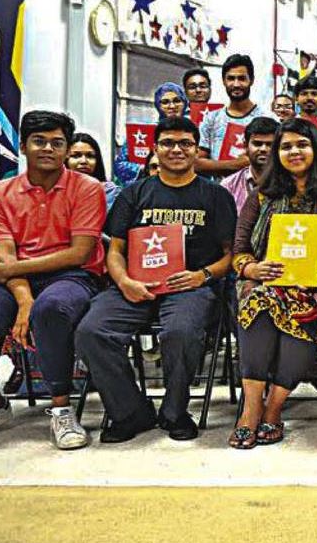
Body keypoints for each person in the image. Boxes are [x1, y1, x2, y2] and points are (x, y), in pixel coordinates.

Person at [75, 115, 236, 443]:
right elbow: (115, 250)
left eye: (185, 143)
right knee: (91, 331)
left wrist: (202, 275)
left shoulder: (216, 196)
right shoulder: (133, 194)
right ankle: (130, 412)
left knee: (181, 332)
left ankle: (175, 412)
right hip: (135, 284)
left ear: (197, 150)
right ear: (155, 148)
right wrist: (124, 282)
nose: (177, 150)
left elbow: (231, 255)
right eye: (168, 143)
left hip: (188, 287)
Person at [228, 118, 317, 448]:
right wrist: (254, 269)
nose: (294, 151)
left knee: (303, 312)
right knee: (259, 302)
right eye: (286, 146)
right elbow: (239, 251)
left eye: (302, 144)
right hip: (265, 281)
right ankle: (251, 410)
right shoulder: (261, 196)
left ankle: (273, 409)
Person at [0, 111, 108, 447]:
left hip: (72, 276)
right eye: (39, 141)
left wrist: (15, 280)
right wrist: (24, 300)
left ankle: (62, 409)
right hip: (14, 280)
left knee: (50, 309)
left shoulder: (88, 188)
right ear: (23, 146)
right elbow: (5, 256)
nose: (48, 149)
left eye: (57, 143)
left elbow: (79, 253)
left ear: (66, 149)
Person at [196, 54, 270, 178]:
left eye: (242, 78)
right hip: (217, 188)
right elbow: (197, 164)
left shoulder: (267, 118)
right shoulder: (211, 119)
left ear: (251, 80)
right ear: (224, 81)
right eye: (231, 78)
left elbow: (271, 162)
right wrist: (239, 164)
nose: (236, 84)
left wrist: (216, 166)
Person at [219, 116, 279, 215]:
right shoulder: (229, 185)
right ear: (245, 146)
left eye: (270, 144)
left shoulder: (290, 183)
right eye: (257, 144)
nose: (263, 149)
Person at [67, 132, 121, 206]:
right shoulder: (55, 191)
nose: (84, 161)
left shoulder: (110, 192)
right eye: (76, 156)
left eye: (90, 156)